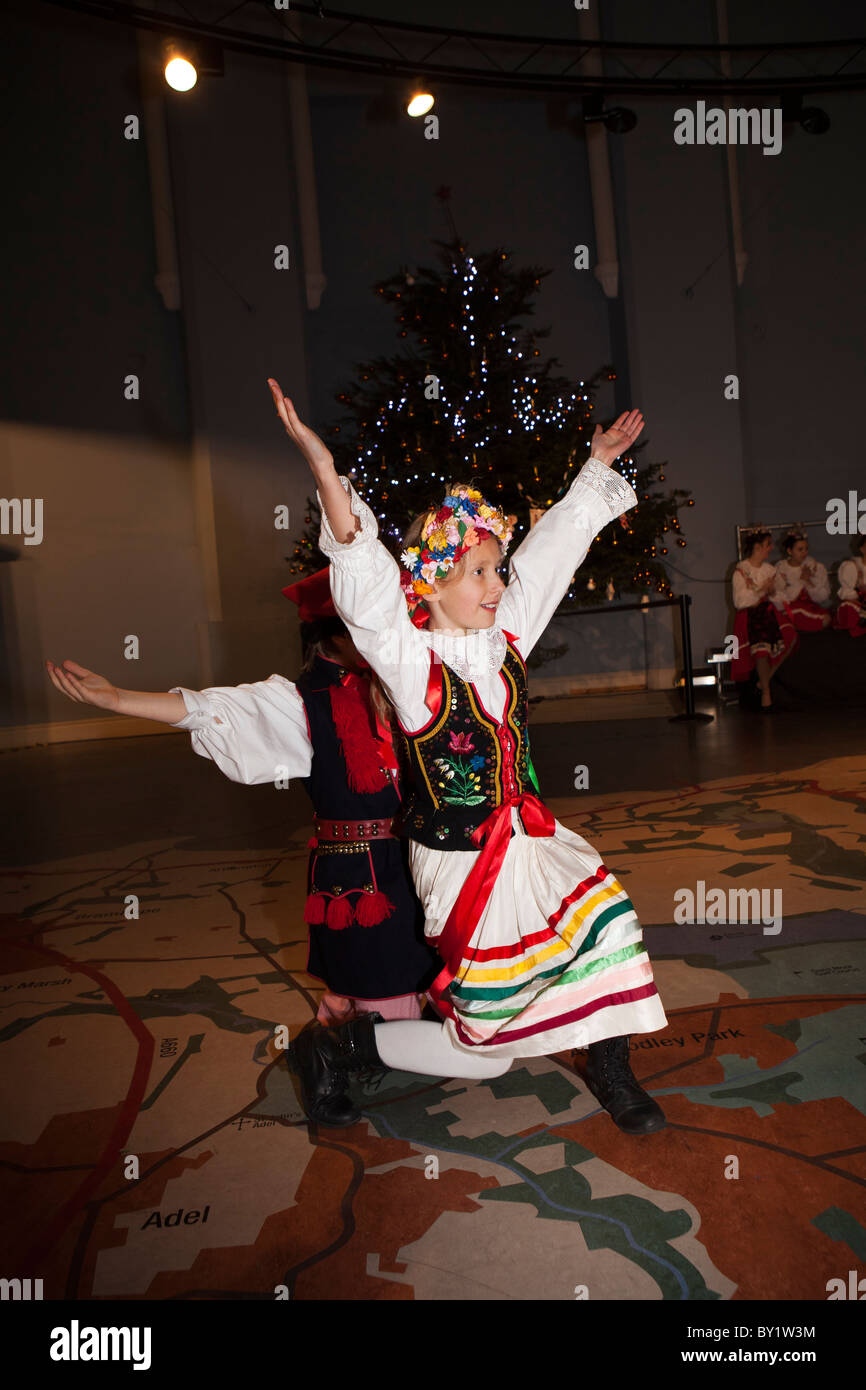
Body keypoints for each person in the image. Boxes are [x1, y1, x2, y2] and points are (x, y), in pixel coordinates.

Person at [267, 376, 668, 1137]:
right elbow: (369, 591)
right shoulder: (414, 669)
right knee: (484, 1049)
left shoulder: (504, 635)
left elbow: (551, 557)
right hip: (458, 864)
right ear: (437, 584)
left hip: (528, 836)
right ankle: (335, 1050)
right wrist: (326, 476)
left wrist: (594, 469)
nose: (496, 583)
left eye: (495, 568)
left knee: (606, 924)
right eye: (478, 572)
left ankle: (612, 1073)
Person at [44, 565, 440, 1128]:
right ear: (331, 633)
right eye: (365, 626)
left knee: (417, 970)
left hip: (417, 859)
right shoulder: (303, 700)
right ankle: (322, 1057)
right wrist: (119, 699)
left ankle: (351, 1044)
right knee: (375, 978)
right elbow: (214, 709)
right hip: (357, 873)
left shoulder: (402, 680)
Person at [730, 527, 797, 711]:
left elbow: (779, 597)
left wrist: (773, 591)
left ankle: (763, 682)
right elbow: (740, 601)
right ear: (758, 547)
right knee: (761, 650)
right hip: (750, 615)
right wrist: (760, 590)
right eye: (768, 545)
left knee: (789, 635)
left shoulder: (769, 570)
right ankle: (766, 693)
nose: (771, 548)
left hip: (768, 611)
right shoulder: (742, 571)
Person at [774, 528, 831, 630]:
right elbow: (779, 596)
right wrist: (798, 582)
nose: (804, 553)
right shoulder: (781, 568)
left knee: (825, 619)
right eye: (800, 549)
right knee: (797, 613)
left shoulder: (814, 566)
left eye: (806, 549)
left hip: (810, 606)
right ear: (789, 551)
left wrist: (808, 580)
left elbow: (823, 597)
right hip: (790, 607)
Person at [835, 534, 866, 637]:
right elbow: (847, 593)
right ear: (862, 548)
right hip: (856, 602)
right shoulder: (853, 566)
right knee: (849, 609)